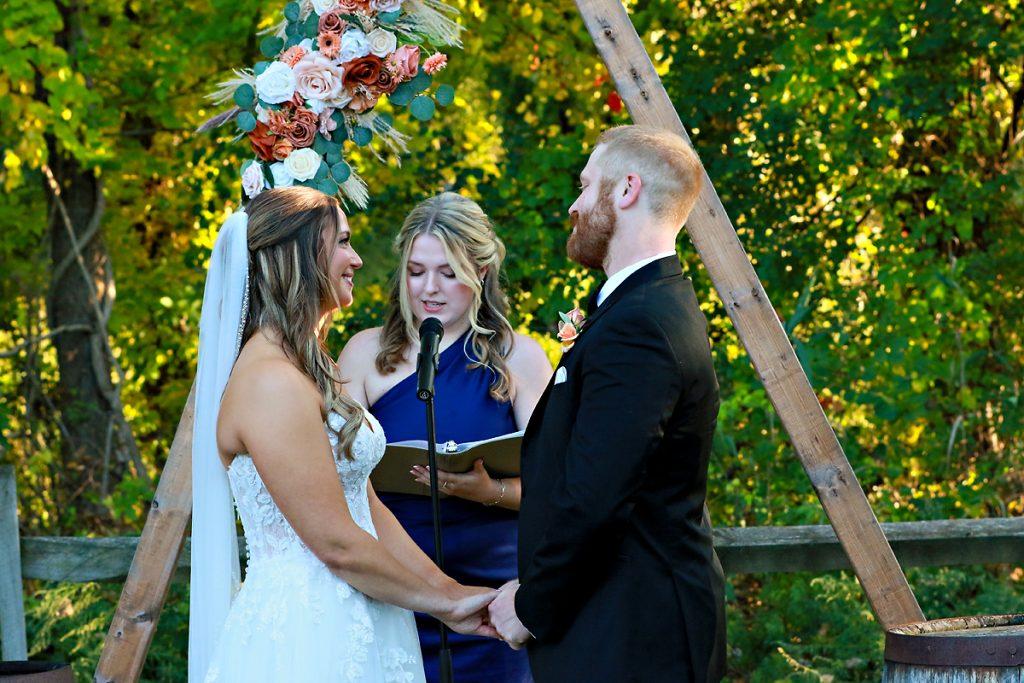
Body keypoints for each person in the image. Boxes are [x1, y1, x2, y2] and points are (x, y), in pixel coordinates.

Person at [188, 186, 497, 683]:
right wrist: (443, 603)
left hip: (366, 613)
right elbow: (336, 543)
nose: (355, 258)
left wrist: (448, 591)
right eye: (342, 243)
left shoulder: (309, 367)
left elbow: (365, 507)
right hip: (308, 635)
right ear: (299, 255)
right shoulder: (269, 380)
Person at [488, 126, 728, 682]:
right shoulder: (648, 307)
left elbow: (597, 495)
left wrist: (531, 604)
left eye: (585, 185)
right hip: (622, 620)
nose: (574, 205)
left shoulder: (640, 326)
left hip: (633, 635)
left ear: (626, 190)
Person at [339, 192, 551, 683]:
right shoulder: (365, 353)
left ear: (480, 272)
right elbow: (333, 475)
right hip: (394, 590)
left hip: (492, 603)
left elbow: (557, 487)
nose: (429, 288)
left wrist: (489, 492)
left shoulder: (519, 358)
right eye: (416, 271)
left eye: (448, 272)